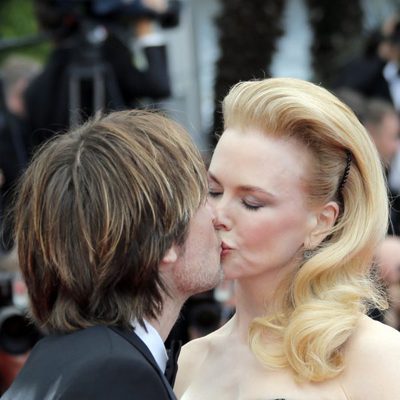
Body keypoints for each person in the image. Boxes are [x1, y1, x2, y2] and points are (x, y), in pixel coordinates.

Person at [175, 78, 400, 399]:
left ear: (321, 223)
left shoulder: (376, 357)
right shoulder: (190, 361)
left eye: (251, 202)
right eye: (214, 191)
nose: (218, 215)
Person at [2, 109, 222, 399]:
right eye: (205, 196)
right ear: (166, 241)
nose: (218, 216)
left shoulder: (54, 360)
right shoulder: (117, 377)